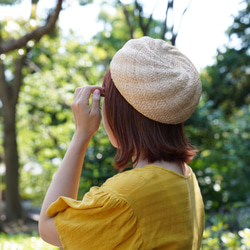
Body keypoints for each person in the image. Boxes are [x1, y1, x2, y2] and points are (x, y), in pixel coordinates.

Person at [39, 36, 204, 249]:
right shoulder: (187, 179)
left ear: (122, 111)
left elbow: (49, 226)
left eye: (106, 96)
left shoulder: (125, 197)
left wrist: (81, 135)